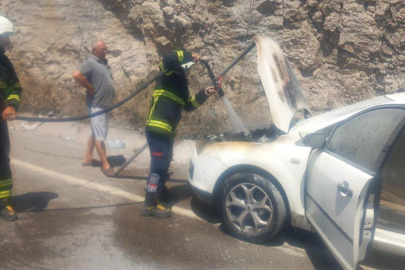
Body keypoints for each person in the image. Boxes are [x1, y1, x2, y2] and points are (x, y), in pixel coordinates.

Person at [141, 49, 217, 218]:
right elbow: (168, 56)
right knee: (158, 166)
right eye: (188, 68)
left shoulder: (182, 87)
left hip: (168, 131)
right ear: (182, 67)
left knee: (165, 162)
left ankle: (159, 191)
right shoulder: (167, 74)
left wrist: (205, 94)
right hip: (157, 129)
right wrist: (190, 54)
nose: (190, 72)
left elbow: (188, 106)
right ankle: (149, 203)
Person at [73, 40, 115, 177]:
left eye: (106, 49)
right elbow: (76, 75)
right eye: (103, 49)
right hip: (96, 104)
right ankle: (105, 165)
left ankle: (88, 158)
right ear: (94, 50)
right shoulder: (90, 62)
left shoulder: (104, 63)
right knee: (100, 136)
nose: (106, 51)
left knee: (94, 131)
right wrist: (89, 87)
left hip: (104, 104)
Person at [0, 16, 22, 221]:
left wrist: (10, 105)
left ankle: (3, 203)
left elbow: (15, 87)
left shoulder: (4, 63)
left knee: (1, 162)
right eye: (4, 36)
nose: (7, 41)